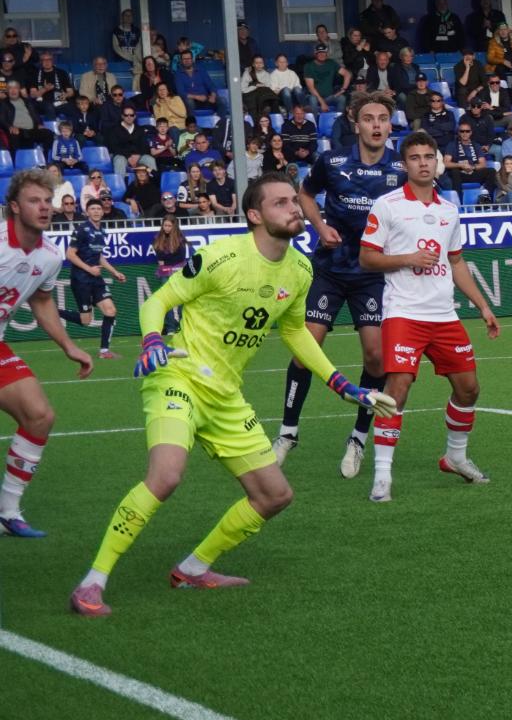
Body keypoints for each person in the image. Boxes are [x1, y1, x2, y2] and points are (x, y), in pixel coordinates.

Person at [69, 176, 398, 616]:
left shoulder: (301, 270)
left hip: (225, 396)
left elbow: (295, 332)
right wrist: (151, 340)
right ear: (255, 215)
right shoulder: (220, 256)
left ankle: (192, 568)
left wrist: (341, 384)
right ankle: (93, 582)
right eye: (280, 203)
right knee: (166, 476)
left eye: (294, 201)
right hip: (179, 377)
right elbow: (157, 302)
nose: (294, 208)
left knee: (274, 495)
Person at [355, 131, 500, 501]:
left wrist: (482, 306)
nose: (422, 163)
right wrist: (408, 258)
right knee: (397, 389)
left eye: (428, 156)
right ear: (404, 164)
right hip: (403, 313)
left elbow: (456, 262)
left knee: (469, 388)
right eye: (415, 157)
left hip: (444, 315)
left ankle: (455, 457)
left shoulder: (449, 210)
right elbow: (367, 258)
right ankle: (382, 476)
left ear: (437, 162)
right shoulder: (387, 205)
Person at [277, 91, 408, 471]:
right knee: (306, 349)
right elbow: (305, 194)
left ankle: (358, 438)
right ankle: (287, 433)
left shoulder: (401, 169)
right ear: (356, 123)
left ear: (389, 125)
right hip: (331, 269)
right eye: (369, 118)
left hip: (373, 275)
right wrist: (319, 226)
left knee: (376, 357)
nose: (376, 125)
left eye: (382, 119)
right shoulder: (332, 161)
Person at [0, 170, 97, 538]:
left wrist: (69, 346)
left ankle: (7, 511)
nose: (44, 207)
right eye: (33, 201)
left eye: (47, 201)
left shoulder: (50, 256)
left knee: (39, 416)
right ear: (14, 207)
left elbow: (41, 301)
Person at [65, 196, 125, 360]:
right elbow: (70, 254)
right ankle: (53, 313)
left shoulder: (102, 231)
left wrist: (114, 272)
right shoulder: (81, 229)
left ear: (103, 212)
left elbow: (99, 256)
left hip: (95, 278)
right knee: (86, 321)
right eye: (93, 209)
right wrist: (89, 269)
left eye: (98, 209)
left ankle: (104, 351)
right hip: (81, 279)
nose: (96, 211)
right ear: (87, 212)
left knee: (110, 311)